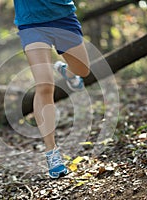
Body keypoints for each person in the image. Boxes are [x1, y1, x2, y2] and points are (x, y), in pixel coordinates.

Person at [13, 0, 90, 178]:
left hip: (63, 16)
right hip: (30, 23)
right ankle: (52, 153)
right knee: (45, 85)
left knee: (83, 70)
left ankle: (68, 73)